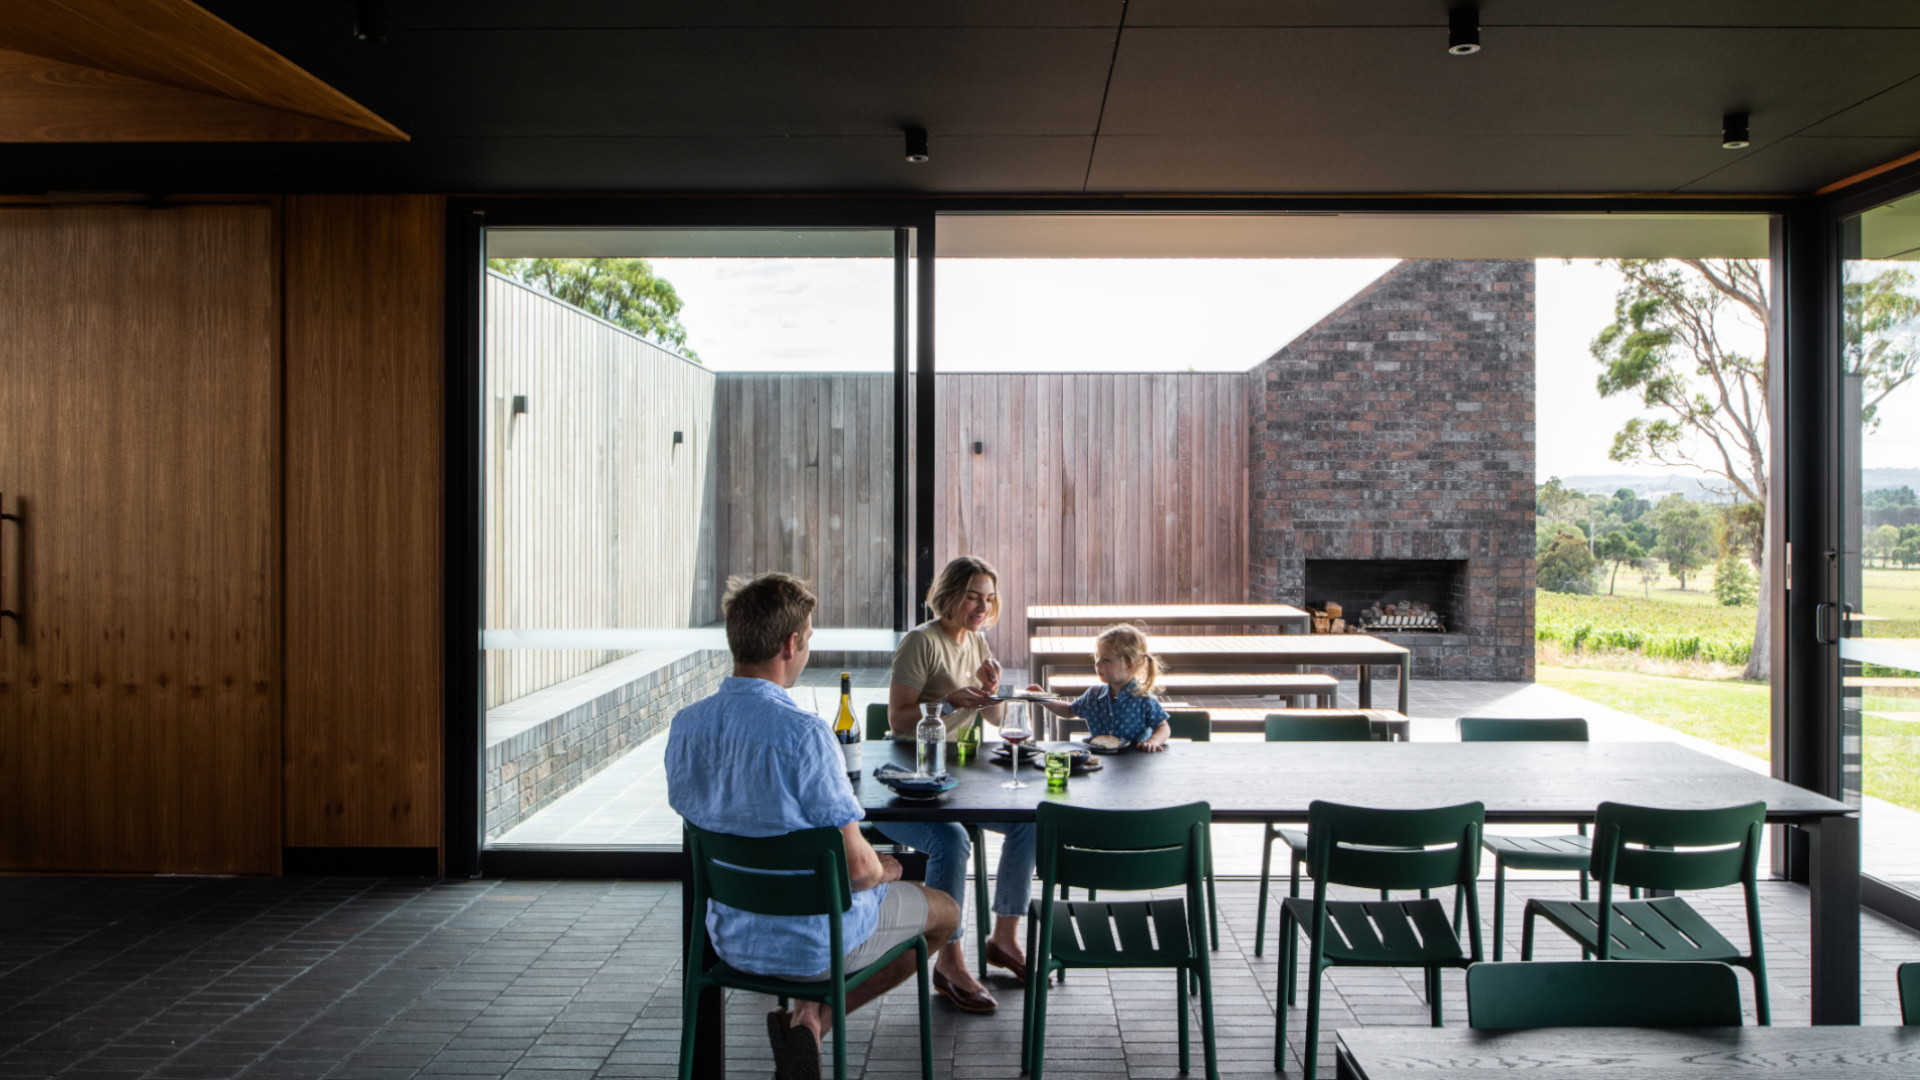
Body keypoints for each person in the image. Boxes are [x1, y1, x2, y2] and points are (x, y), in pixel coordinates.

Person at [668, 573, 959, 1080]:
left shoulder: (686, 725)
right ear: (791, 643)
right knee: (945, 913)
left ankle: (808, 1019)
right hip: (813, 945)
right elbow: (860, 871)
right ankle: (819, 1018)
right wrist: (888, 870)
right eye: (809, 637)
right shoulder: (804, 734)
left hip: (728, 936)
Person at [874, 555, 1035, 1014]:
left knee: (1029, 822)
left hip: (961, 778)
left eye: (988, 598)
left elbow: (997, 719)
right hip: (912, 781)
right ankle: (950, 961)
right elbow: (899, 719)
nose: (982, 606)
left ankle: (1003, 939)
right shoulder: (920, 643)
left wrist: (992, 688)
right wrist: (945, 703)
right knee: (951, 839)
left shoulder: (978, 644)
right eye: (972, 596)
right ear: (949, 596)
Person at [1030, 623, 1172, 752]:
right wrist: (1043, 699)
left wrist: (1153, 741)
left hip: (1133, 764)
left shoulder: (1143, 699)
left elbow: (1163, 727)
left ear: (1129, 664)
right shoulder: (1093, 695)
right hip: (1100, 761)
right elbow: (1069, 710)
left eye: (1106, 660)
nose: (1097, 664)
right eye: (1097, 657)